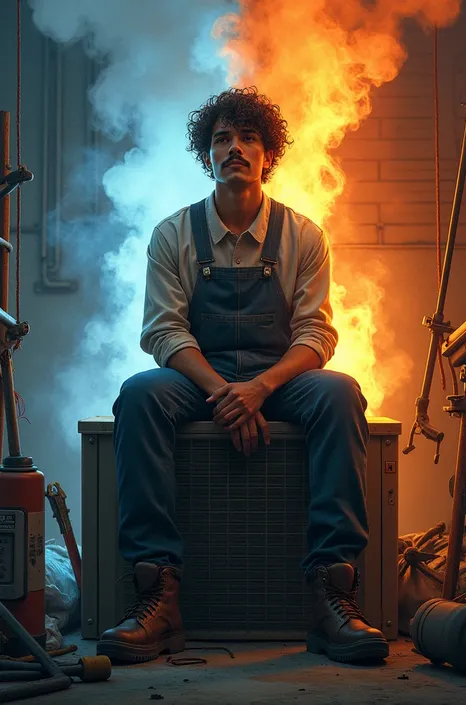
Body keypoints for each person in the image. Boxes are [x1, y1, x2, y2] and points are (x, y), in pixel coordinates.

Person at [97, 87, 389, 665]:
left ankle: (333, 596)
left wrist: (261, 388)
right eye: (221, 139)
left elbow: (316, 335)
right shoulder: (172, 235)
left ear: (267, 155)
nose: (234, 148)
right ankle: (158, 597)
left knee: (340, 394)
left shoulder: (304, 236)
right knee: (138, 395)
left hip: (276, 381)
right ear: (207, 155)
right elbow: (163, 332)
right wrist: (223, 393)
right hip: (199, 380)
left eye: (247, 138)